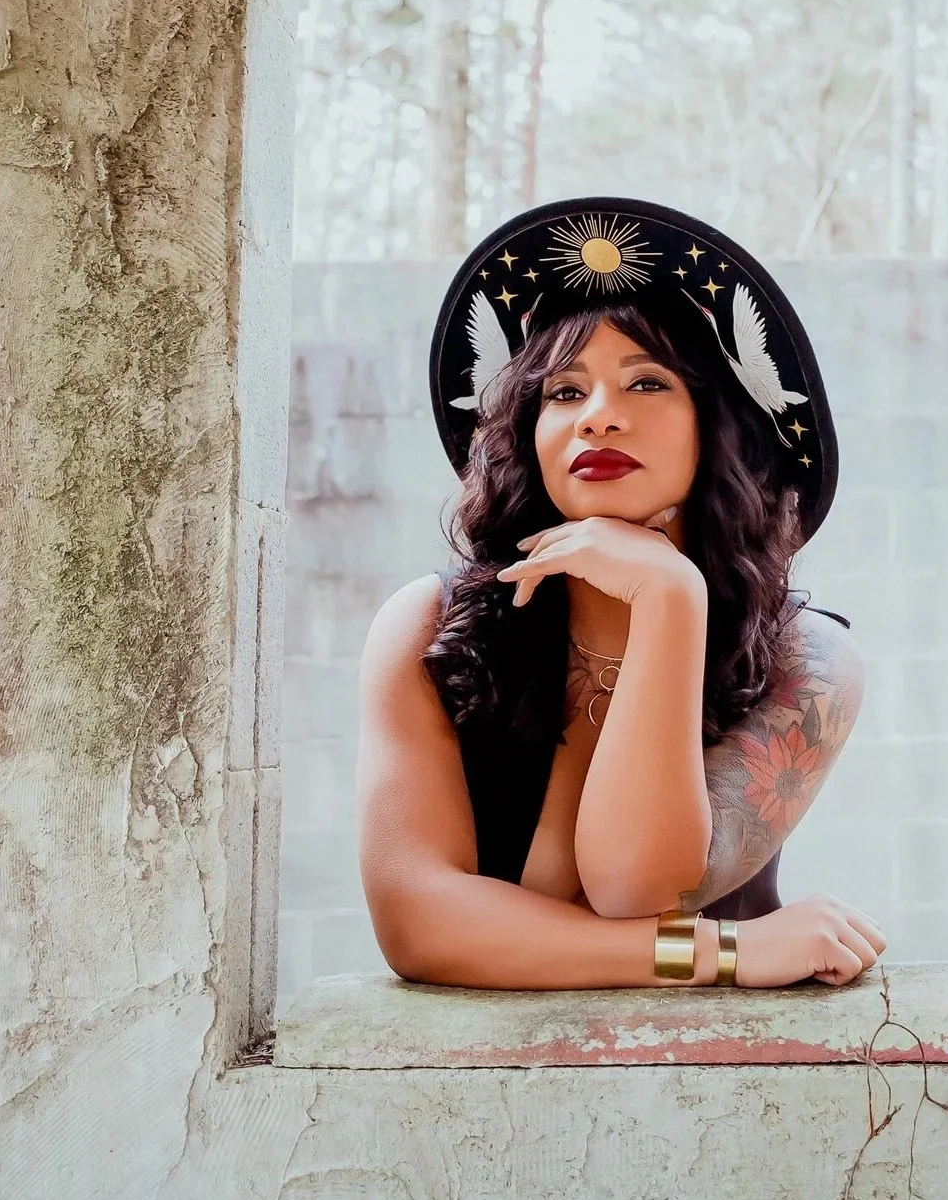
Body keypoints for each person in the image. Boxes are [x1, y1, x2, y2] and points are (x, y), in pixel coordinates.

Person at [357, 199, 887, 990]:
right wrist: (728, 953)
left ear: (720, 426)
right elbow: (417, 920)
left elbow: (631, 887)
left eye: (646, 381)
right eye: (564, 392)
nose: (599, 417)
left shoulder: (809, 662)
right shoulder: (431, 627)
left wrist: (669, 598)